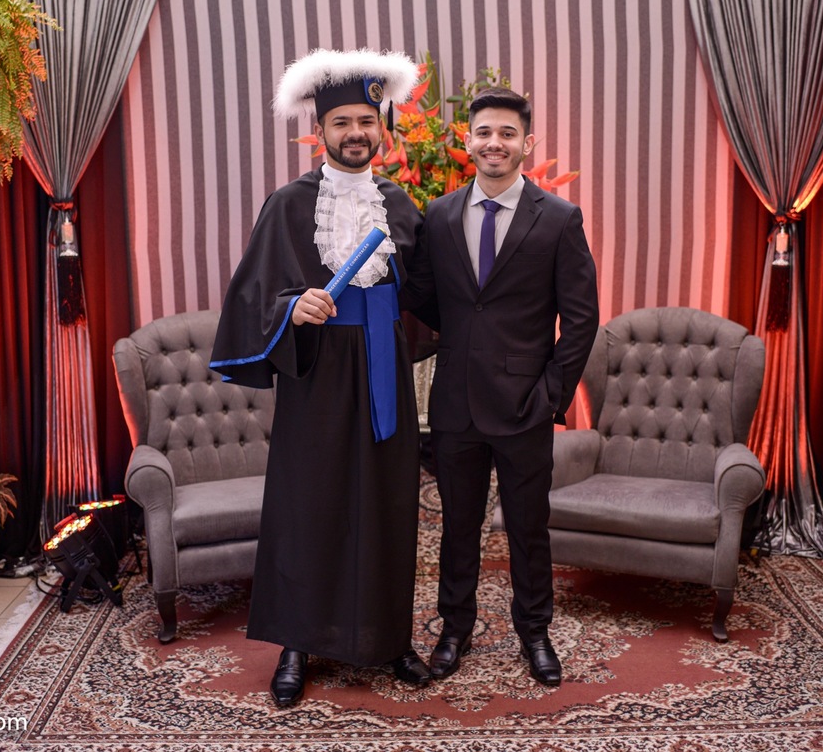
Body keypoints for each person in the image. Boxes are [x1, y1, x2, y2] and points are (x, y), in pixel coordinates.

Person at [209, 48, 432, 708]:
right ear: (321, 130)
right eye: (342, 122)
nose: (355, 133)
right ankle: (297, 644)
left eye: (366, 120)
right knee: (309, 506)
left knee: (389, 505)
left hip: (384, 371)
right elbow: (253, 296)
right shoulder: (287, 205)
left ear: (380, 128)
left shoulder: (401, 205)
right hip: (317, 374)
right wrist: (291, 307)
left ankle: (391, 638)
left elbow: (429, 295)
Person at [403, 87, 600, 687]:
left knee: (527, 529)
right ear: (468, 141)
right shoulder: (439, 215)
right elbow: (426, 299)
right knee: (457, 528)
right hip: (455, 402)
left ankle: (535, 633)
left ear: (526, 143)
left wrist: (551, 395)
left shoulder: (559, 219)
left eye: (507, 133)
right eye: (484, 132)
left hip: (525, 405)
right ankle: (454, 630)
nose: (495, 143)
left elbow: (581, 318)